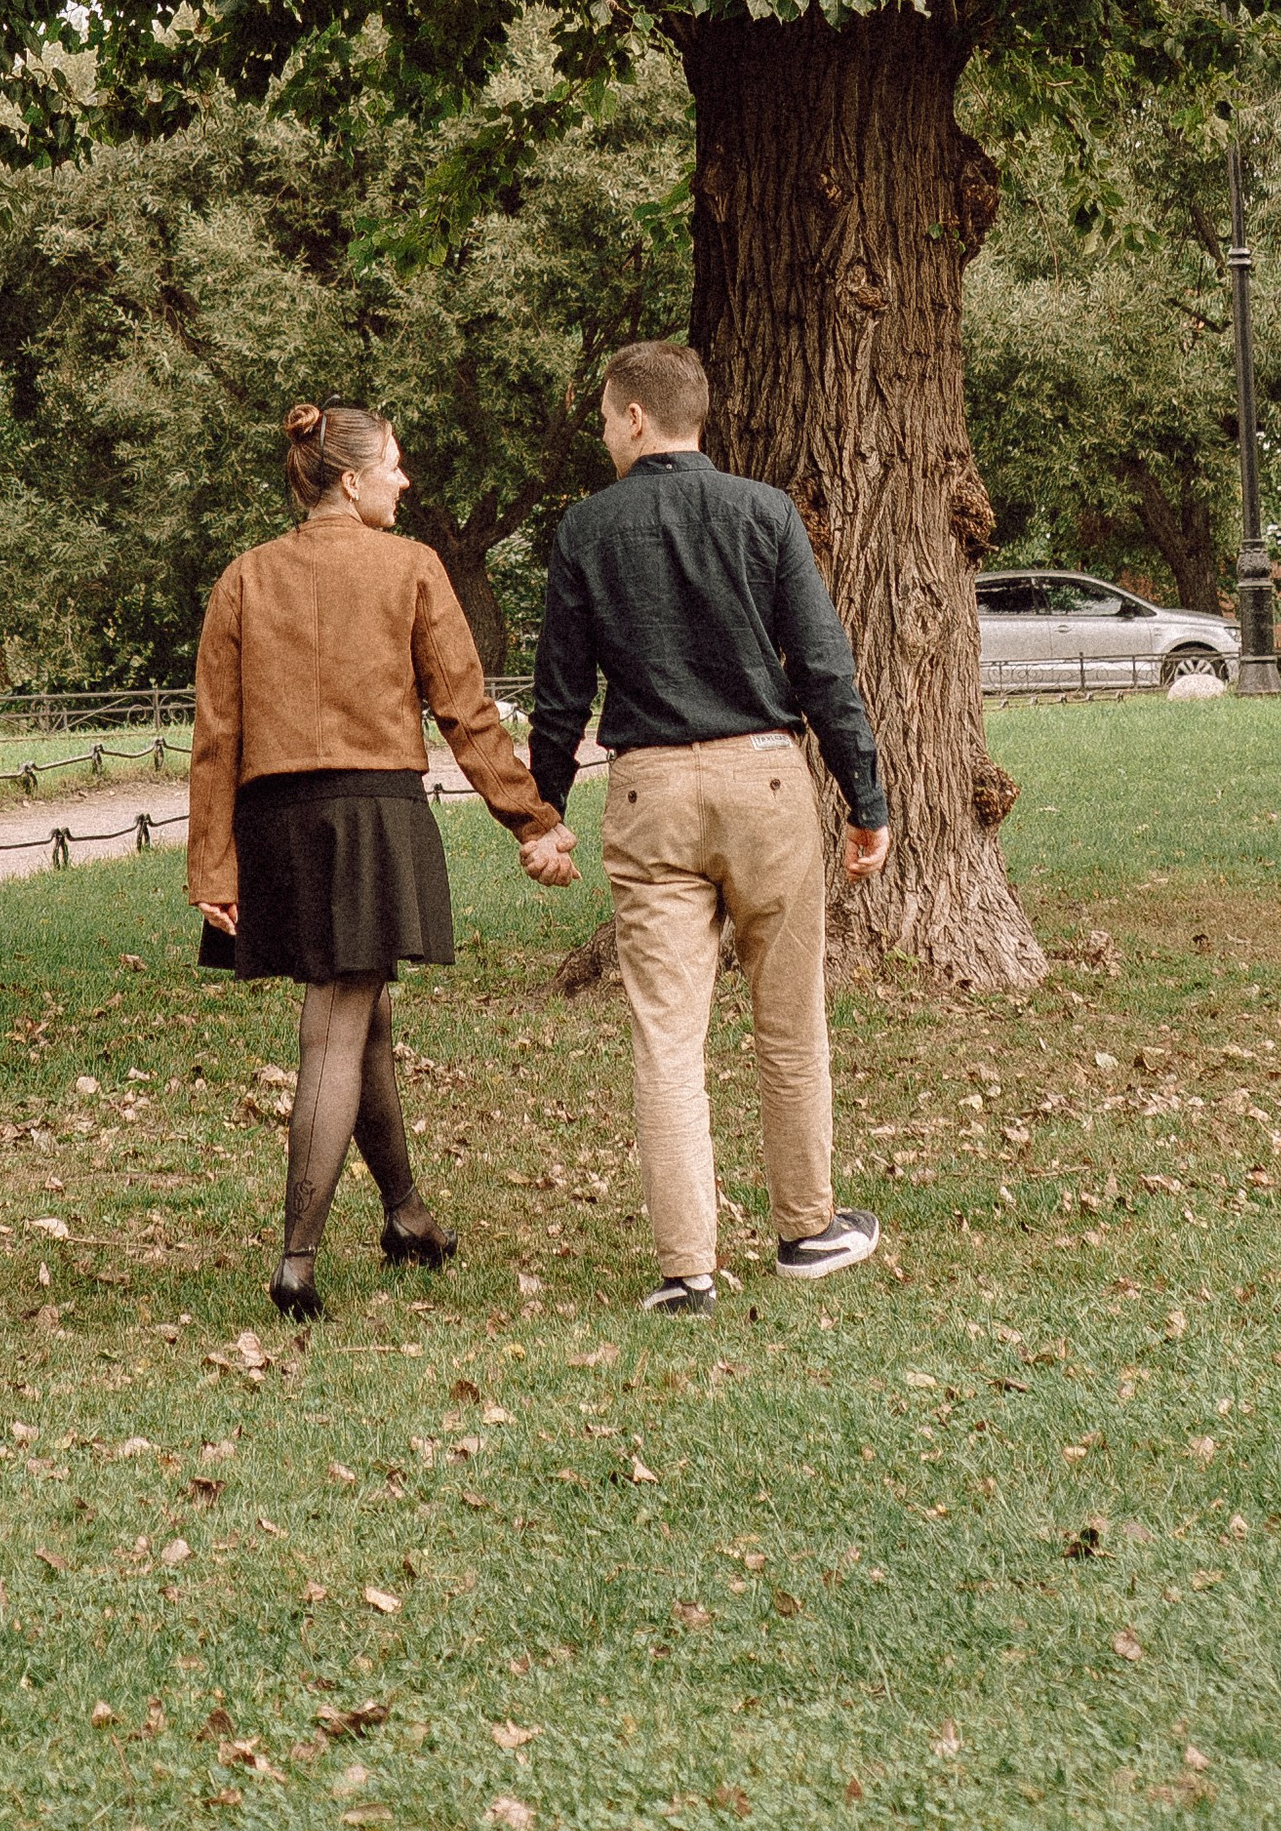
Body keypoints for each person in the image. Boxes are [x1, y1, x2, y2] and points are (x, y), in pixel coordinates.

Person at [191, 398, 579, 1319]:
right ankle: (295, 1262)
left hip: (276, 823)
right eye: (395, 466)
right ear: (353, 478)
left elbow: (217, 737)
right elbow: (466, 711)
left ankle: (406, 1216)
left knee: (363, 1022)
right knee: (336, 1025)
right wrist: (531, 820)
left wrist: (215, 864)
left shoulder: (243, 578)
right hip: (369, 815)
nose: (405, 481)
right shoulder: (411, 567)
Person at [530, 337, 891, 1315]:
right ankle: (807, 1229)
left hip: (650, 795)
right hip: (766, 786)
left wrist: (544, 813)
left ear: (637, 418)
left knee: (665, 1036)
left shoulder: (586, 530)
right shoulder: (763, 514)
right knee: (788, 1021)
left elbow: (560, 692)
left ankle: (687, 1268)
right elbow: (821, 666)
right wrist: (866, 800)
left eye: (607, 418)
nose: (605, 434)